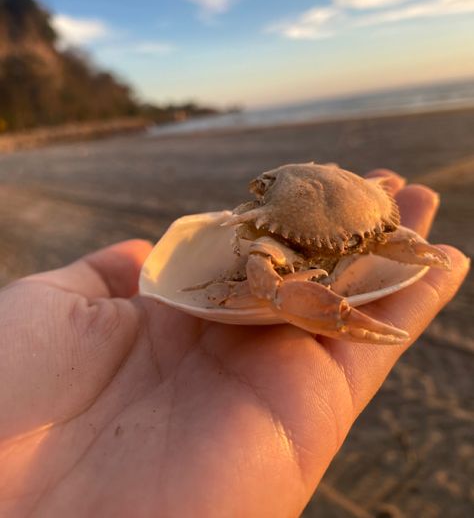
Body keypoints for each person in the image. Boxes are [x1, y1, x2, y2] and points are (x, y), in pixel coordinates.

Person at [0, 171, 469, 517]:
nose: (354, 244)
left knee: (414, 252)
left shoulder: (369, 214)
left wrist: (380, 232)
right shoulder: (269, 239)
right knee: (269, 280)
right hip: (287, 256)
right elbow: (270, 285)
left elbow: (384, 233)